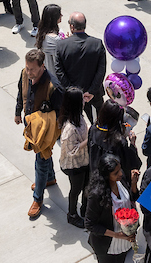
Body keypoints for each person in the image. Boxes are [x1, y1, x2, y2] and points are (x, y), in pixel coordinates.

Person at [16, 48, 64, 219]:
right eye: (27, 68)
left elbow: (61, 112)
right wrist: (18, 112)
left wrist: (46, 121)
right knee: (44, 156)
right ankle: (50, 178)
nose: (29, 72)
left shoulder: (53, 86)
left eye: (32, 69)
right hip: (31, 124)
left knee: (40, 160)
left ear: (42, 66)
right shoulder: (25, 74)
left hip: (46, 131)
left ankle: (38, 199)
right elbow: (20, 93)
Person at [85, 153, 137, 263]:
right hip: (107, 246)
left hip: (125, 242)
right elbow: (90, 224)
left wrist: (133, 184)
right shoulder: (96, 195)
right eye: (116, 173)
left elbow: (132, 200)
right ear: (106, 175)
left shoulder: (121, 181)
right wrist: (117, 235)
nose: (121, 174)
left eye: (120, 169)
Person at [59, 86, 91, 228]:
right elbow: (72, 151)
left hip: (84, 161)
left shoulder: (80, 116)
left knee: (86, 186)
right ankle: (72, 214)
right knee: (76, 189)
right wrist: (88, 140)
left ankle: (85, 210)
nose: (84, 102)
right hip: (74, 166)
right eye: (81, 100)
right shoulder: (69, 130)